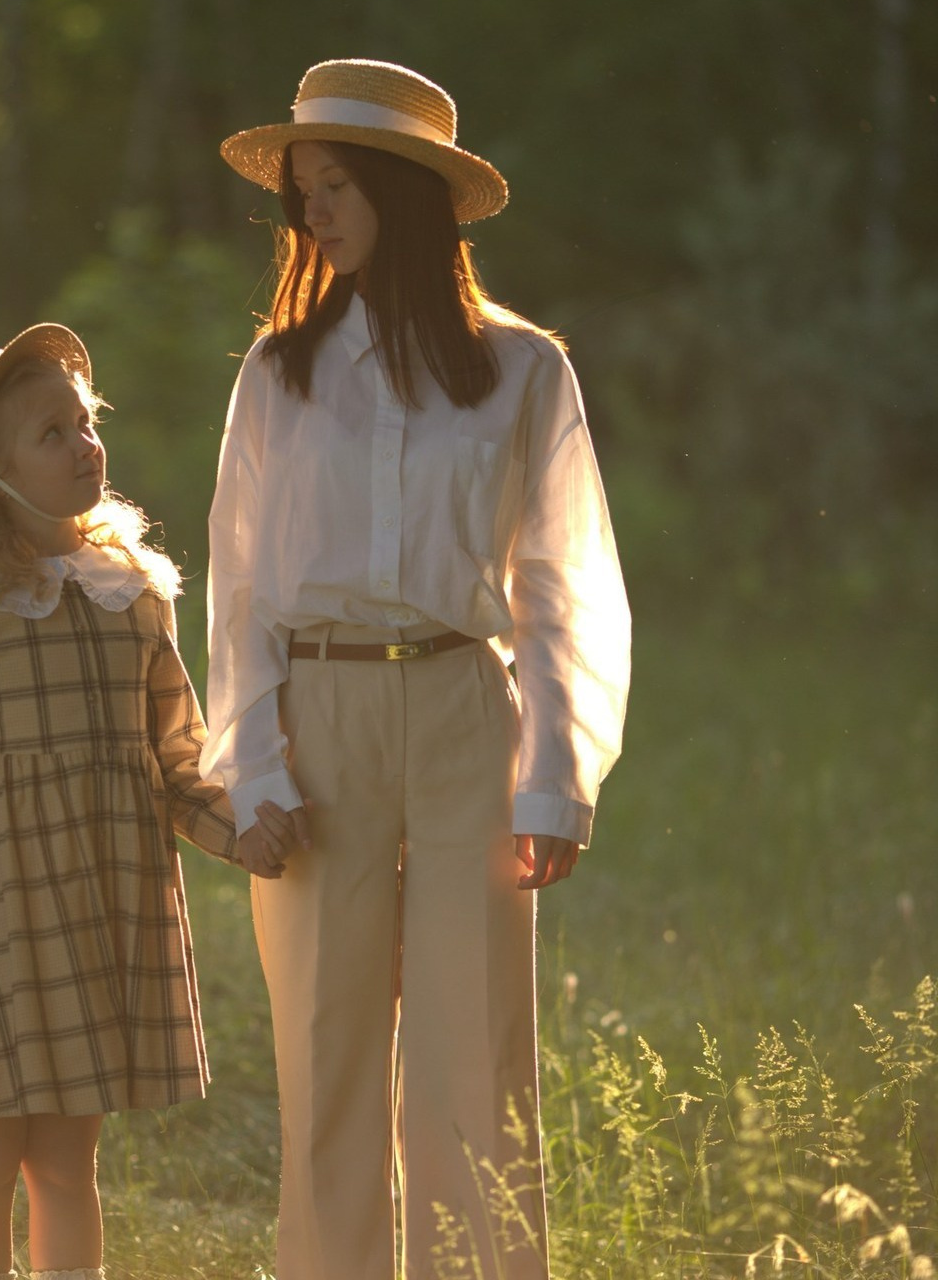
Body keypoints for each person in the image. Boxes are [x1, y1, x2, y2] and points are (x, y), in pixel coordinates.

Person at [204, 59, 632, 1280]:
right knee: (326, 1056)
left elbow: (560, 585)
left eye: (334, 185)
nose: (312, 214)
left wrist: (553, 777)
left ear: (405, 191)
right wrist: (253, 765)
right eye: (301, 193)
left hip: (463, 719)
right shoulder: (276, 375)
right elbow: (239, 591)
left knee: (474, 1068)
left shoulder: (523, 370)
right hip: (317, 724)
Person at [0, 323, 251, 1280]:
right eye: (51, 435)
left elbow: (179, 760)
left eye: (85, 423)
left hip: (105, 904)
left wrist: (249, 834)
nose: (84, 446)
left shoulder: (135, 594)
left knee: (66, 1159)